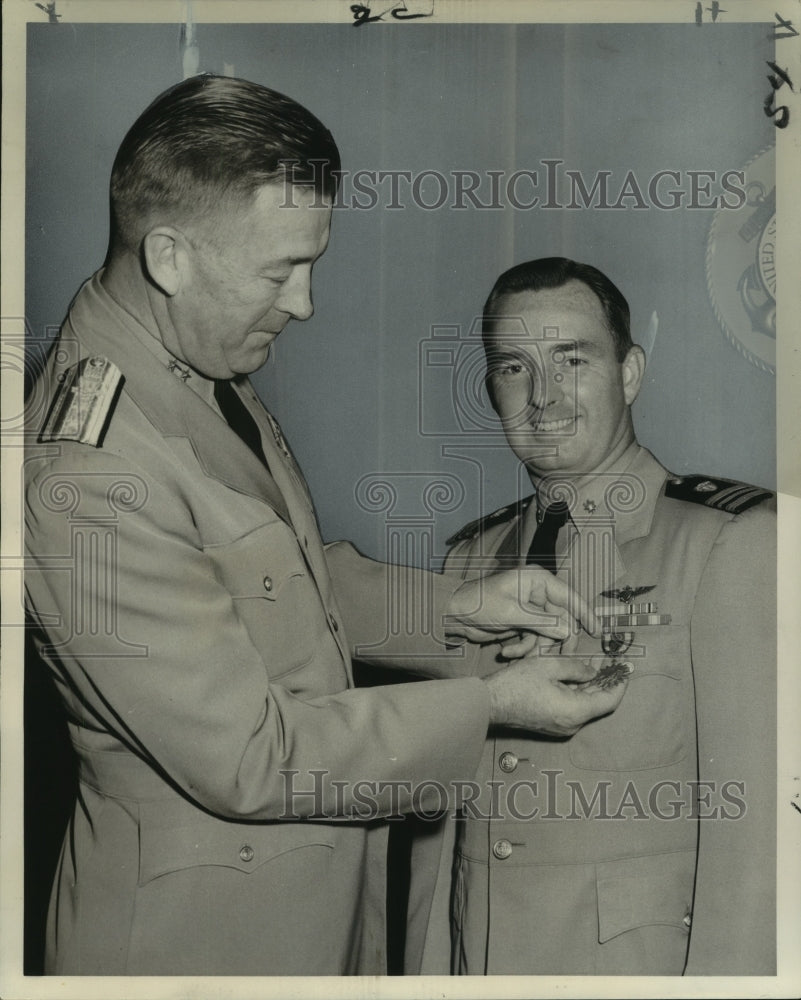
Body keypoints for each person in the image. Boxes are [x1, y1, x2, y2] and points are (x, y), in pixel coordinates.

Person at [22, 79, 626, 976]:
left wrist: (455, 606)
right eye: (280, 272)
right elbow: (252, 758)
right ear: (169, 257)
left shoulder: (187, 360)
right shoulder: (91, 473)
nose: (304, 303)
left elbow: (279, 576)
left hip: (299, 911)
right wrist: (491, 704)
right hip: (198, 947)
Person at [406, 257, 776, 976]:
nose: (542, 397)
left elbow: (759, 837)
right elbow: (440, 833)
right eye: (513, 368)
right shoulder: (468, 562)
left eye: (571, 361)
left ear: (629, 374)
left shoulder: (729, 542)